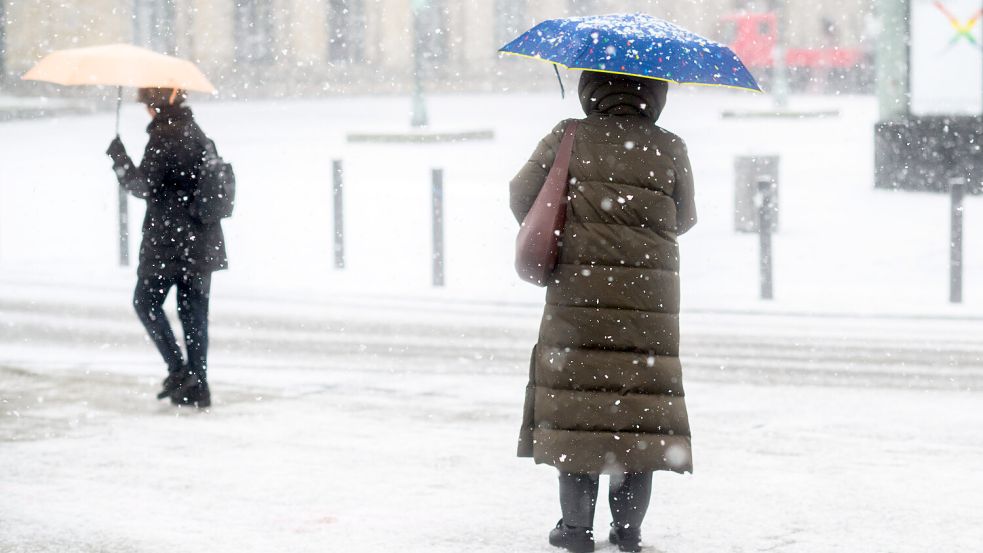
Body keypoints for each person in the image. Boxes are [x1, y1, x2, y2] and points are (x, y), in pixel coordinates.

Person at [510, 71, 697, 553]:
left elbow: (521, 193)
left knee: (579, 413)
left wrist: (569, 228)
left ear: (590, 90)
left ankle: (575, 531)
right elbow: (687, 217)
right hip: (648, 305)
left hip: (578, 298)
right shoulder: (669, 146)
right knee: (638, 418)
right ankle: (629, 532)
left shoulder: (567, 136)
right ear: (655, 95)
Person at [106, 87, 228, 409]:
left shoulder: (166, 135)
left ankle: (178, 371)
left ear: (158, 105)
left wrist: (119, 159)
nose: (146, 110)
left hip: (169, 242)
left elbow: (142, 186)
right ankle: (198, 384)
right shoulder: (197, 132)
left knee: (145, 302)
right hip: (201, 243)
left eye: (147, 104)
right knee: (194, 315)